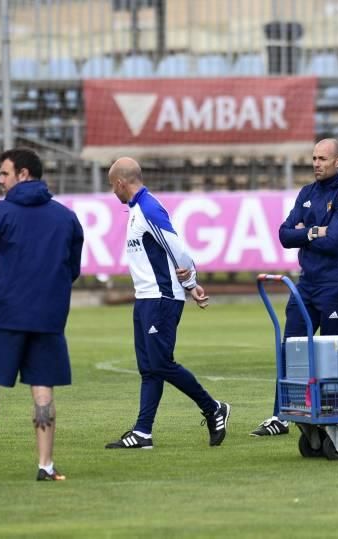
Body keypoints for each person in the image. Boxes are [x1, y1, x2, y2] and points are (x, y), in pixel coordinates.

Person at [0, 148, 84, 482]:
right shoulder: (66, 217)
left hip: (5, 312)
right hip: (49, 316)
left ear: (23, 174)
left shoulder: (1, 211)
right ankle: (45, 465)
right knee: (42, 388)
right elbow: (73, 269)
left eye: (4, 173)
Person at [104, 157, 230, 450]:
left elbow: (177, 249)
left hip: (161, 298)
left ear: (121, 183)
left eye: (113, 186)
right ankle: (143, 432)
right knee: (149, 368)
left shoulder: (148, 209)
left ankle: (213, 408)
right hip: (146, 298)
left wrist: (191, 284)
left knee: (161, 363)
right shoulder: (137, 209)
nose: (113, 192)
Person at [251, 138, 338, 436]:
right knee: (292, 350)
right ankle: (282, 415)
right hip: (306, 283)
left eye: (322, 159)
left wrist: (306, 233)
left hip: (334, 284)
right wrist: (316, 231)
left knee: (331, 351)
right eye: (314, 158)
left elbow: (335, 241)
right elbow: (285, 235)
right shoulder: (307, 192)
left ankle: (336, 413)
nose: (316, 163)